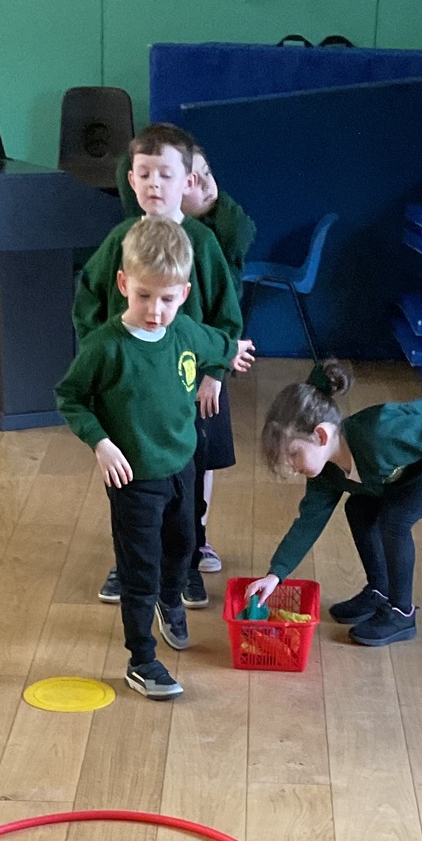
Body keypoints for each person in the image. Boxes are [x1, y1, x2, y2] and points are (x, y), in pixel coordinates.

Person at [57, 218, 253, 699]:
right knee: (138, 569)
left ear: (183, 294)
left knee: (183, 546)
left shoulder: (184, 331)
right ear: (124, 283)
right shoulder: (106, 346)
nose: (154, 310)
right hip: (134, 479)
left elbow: (216, 344)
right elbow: (70, 397)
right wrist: (101, 443)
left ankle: (171, 598)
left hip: (182, 468)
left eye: (166, 299)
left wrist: (232, 353)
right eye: (144, 296)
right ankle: (141, 660)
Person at [77, 123, 242, 610]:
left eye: (165, 174)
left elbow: (226, 318)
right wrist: (101, 363)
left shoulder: (202, 244)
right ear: (131, 180)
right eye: (144, 174)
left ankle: (186, 566)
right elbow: (87, 304)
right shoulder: (119, 241)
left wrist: (214, 374)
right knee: (127, 481)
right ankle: (129, 565)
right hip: (128, 395)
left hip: (189, 393)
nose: (154, 184)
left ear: (187, 181)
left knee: (187, 482)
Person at [245, 362, 422, 646]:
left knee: (395, 518)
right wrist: (276, 574)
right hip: (409, 469)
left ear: (321, 435)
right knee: (358, 508)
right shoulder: (325, 475)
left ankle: (401, 614)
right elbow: (308, 523)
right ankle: (379, 591)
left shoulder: (381, 432)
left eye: (294, 454)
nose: (293, 466)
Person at [181, 149, 255, 577]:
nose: (206, 184)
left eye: (208, 173)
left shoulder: (217, 236)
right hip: (171, 369)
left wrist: (215, 374)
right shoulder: (147, 232)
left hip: (210, 369)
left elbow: (241, 226)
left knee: (204, 455)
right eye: (193, 178)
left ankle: (198, 536)